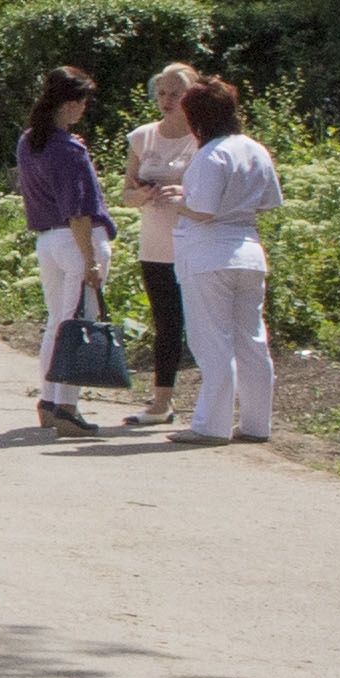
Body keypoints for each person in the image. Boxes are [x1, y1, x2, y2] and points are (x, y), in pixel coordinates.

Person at [167, 74, 284, 443]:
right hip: (248, 250)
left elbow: (203, 210)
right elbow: (269, 201)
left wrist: (176, 202)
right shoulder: (255, 149)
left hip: (209, 255)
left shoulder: (210, 153)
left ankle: (211, 425)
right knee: (252, 340)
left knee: (212, 341)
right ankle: (255, 423)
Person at [15, 64, 116, 437]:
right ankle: (67, 406)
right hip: (76, 241)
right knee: (79, 323)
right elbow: (79, 211)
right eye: (83, 100)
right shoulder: (70, 149)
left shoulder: (30, 142)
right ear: (71, 104)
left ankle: (49, 397)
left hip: (47, 240)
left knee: (56, 321)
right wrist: (90, 260)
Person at [119, 64, 204, 429]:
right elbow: (125, 195)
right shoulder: (142, 137)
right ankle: (161, 402)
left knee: (203, 324)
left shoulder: (203, 138)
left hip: (196, 241)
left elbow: (213, 191)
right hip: (155, 244)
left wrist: (182, 193)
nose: (167, 101)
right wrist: (143, 194)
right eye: (162, 93)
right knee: (166, 323)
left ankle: (213, 403)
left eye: (176, 94)